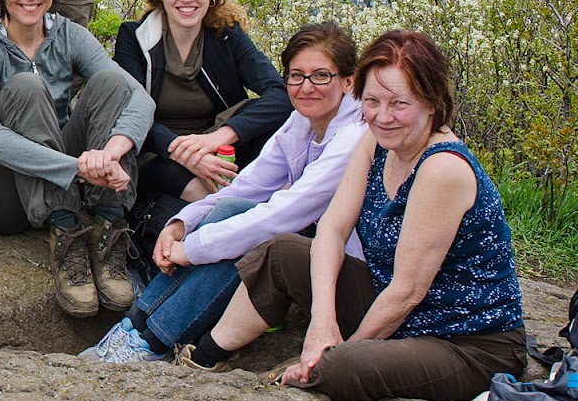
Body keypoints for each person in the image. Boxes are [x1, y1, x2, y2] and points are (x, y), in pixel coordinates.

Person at [188, 30, 527, 401]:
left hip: (463, 342)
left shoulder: (442, 168)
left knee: (337, 367)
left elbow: (406, 292)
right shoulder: (377, 140)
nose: (383, 116)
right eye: (372, 101)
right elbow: (331, 230)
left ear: (431, 102)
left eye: (400, 103)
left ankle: (321, 367)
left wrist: (338, 351)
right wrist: (321, 322)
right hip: (392, 307)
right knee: (281, 252)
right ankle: (203, 361)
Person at [83, 22, 366, 363]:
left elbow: (284, 214)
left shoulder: (353, 137)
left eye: (321, 75)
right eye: (296, 76)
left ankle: (154, 343)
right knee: (234, 206)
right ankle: (135, 328)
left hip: (352, 271)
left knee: (249, 238)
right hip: (318, 254)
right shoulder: (301, 123)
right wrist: (181, 225)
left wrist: (195, 249)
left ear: (348, 81)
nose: (306, 87)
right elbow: (246, 187)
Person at [0, 0, 155, 317]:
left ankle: (107, 228)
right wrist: (75, 168)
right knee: (28, 87)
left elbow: (140, 99)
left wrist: (109, 155)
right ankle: (65, 231)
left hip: (59, 179)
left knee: (111, 83)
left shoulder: (68, 34)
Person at [114, 0, 291, 206]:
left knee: (275, 125)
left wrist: (222, 137)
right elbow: (126, 112)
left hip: (221, 148)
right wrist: (187, 154)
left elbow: (282, 94)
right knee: (208, 195)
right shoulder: (135, 38)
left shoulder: (226, 36)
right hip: (160, 152)